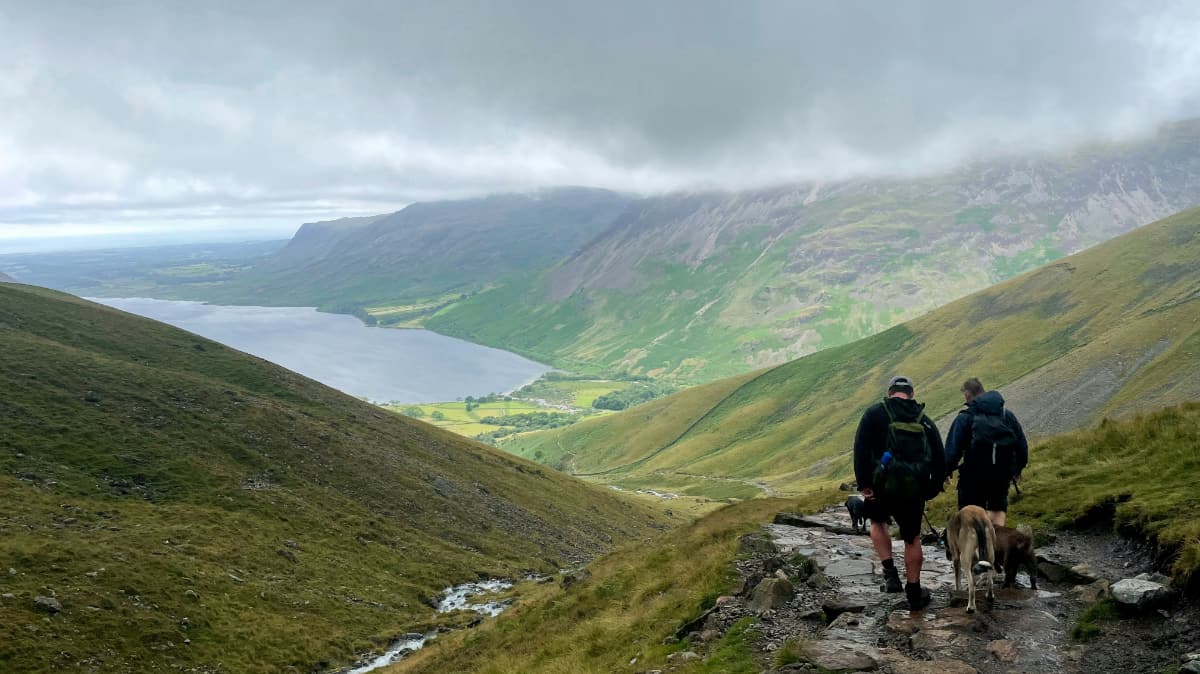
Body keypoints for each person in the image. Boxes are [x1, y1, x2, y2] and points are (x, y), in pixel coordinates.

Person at [853, 375, 946, 610]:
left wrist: (864, 483)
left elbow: (861, 448)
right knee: (912, 538)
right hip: (913, 491)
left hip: (881, 487)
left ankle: (890, 574)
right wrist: (931, 489)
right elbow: (940, 457)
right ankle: (914, 591)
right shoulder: (924, 420)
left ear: (890, 392)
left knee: (877, 523)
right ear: (912, 394)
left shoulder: (874, 414)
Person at [944, 378, 1028, 528]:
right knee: (997, 510)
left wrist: (946, 470)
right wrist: (1018, 468)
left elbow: (952, 450)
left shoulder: (965, 417)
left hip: (972, 476)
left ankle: (976, 541)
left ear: (967, 395)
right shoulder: (1006, 415)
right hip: (1001, 474)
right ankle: (996, 540)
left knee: (971, 518)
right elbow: (1021, 444)